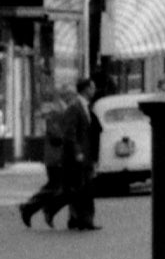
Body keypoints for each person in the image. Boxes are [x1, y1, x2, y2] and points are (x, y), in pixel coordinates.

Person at [18, 86, 79, 229]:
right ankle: (31, 207)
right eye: (69, 96)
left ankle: (44, 209)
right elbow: (56, 135)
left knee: (64, 187)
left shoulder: (63, 111)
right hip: (56, 157)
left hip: (62, 156)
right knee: (56, 186)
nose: (72, 99)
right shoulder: (56, 112)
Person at [63, 80, 102, 232]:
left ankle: (78, 218)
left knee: (83, 187)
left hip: (86, 154)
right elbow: (70, 133)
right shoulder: (75, 107)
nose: (94, 90)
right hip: (79, 156)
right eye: (92, 87)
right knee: (82, 188)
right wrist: (77, 151)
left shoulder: (85, 107)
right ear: (86, 89)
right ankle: (83, 219)